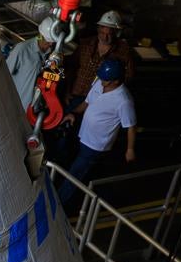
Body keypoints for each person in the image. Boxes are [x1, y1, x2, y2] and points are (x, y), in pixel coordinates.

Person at [55, 57, 137, 206]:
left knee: (76, 173)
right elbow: (87, 103)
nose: (101, 80)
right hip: (82, 134)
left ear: (116, 81)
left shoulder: (124, 101)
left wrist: (130, 149)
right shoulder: (99, 83)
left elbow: (130, 126)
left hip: (95, 144)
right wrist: (72, 113)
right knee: (73, 165)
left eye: (105, 79)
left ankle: (58, 203)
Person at [64, 9, 136, 103]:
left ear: (117, 33)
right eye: (102, 33)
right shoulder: (85, 44)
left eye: (109, 34)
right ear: (98, 29)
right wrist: (66, 92)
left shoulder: (124, 51)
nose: (105, 38)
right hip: (76, 94)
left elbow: (128, 77)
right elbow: (71, 68)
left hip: (101, 100)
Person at [4, 27, 54, 115]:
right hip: (17, 108)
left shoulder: (52, 53)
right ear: (41, 35)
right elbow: (4, 75)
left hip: (35, 110)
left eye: (53, 41)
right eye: (49, 40)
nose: (51, 44)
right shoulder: (22, 49)